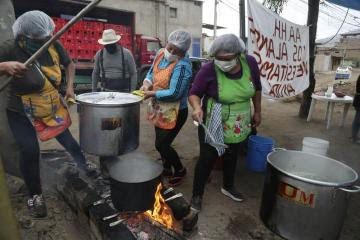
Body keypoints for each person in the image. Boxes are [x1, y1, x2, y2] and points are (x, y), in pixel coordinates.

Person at [0, 11, 95, 218]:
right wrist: (3, 66)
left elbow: (69, 64)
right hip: (20, 110)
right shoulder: (9, 47)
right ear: (24, 37)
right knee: (29, 150)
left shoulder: (51, 42)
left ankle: (83, 163)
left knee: (67, 139)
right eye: (40, 39)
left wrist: (69, 88)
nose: (45, 41)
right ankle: (35, 195)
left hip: (49, 105)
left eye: (46, 37)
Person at [188, 34, 262, 212]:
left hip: (240, 118)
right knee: (207, 157)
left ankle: (228, 186)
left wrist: (258, 111)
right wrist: (197, 107)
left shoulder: (250, 62)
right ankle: (197, 195)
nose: (222, 62)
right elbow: (194, 93)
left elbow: (257, 89)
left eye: (227, 59)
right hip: (215, 117)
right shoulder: (208, 69)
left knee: (232, 152)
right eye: (218, 59)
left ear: (238, 54)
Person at [141, 29, 192, 187]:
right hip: (158, 107)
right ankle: (166, 167)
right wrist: (146, 83)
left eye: (175, 51)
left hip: (175, 111)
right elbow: (151, 72)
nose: (170, 52)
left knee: (161, 144)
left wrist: (151, 93)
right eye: (169, 48)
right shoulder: (160, 53)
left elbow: (175, 93)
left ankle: (180, 169)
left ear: (183, 53)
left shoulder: (183, 66)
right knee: (159, 139)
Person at [352, 75, 360, 143]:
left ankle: (354, 136)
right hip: (359, 100)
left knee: (357, 119)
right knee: (358, 120)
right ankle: (354, 137)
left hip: (358, 99)